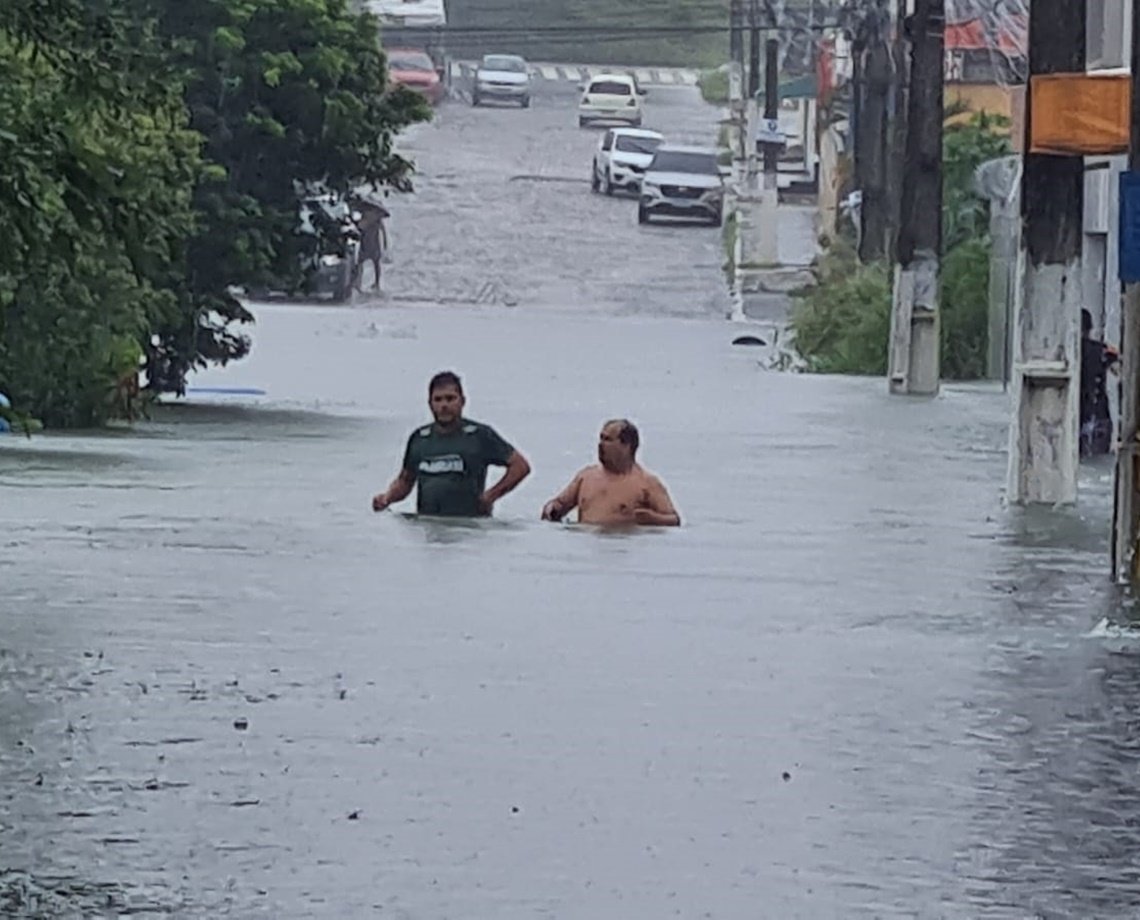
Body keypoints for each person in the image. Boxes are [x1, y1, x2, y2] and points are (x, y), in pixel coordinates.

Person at [372, 371, 531, 517]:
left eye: (450, 398)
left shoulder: (480, 435)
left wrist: (490, 496)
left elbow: (520, 466)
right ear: (430, 403)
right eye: (438, 399)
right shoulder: (419, 438)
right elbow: (405, 481)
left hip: (468, 529)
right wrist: (387, 498)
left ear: (462, 401)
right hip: (428, 528)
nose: (444, 405)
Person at [541, 419, 680, 527]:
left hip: (624, 548)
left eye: (608, 440)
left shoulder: (647, 483)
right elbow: (559, 504)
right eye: (600, 438)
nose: (601, 444)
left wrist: (651, 518)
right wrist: (551, 509)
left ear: (626, 445)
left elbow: (674, 520)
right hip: (588, 548)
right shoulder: (586, 476)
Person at [1080, 308, 1119, 457]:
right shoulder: (1102, 350)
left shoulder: (1063, 351)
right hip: (1099, 416)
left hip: (1075, 416)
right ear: (1090, 328)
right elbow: (1119, 371)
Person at [351, 197, 389, 292]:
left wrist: (385, 244)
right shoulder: (373, 220)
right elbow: (383, 234)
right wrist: (385, 244)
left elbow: (383, 233)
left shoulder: (371, 220)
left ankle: (371, 283)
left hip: (370, 245)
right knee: (366, 264)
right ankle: (361, 282)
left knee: (368, 264)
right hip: (368, 244)